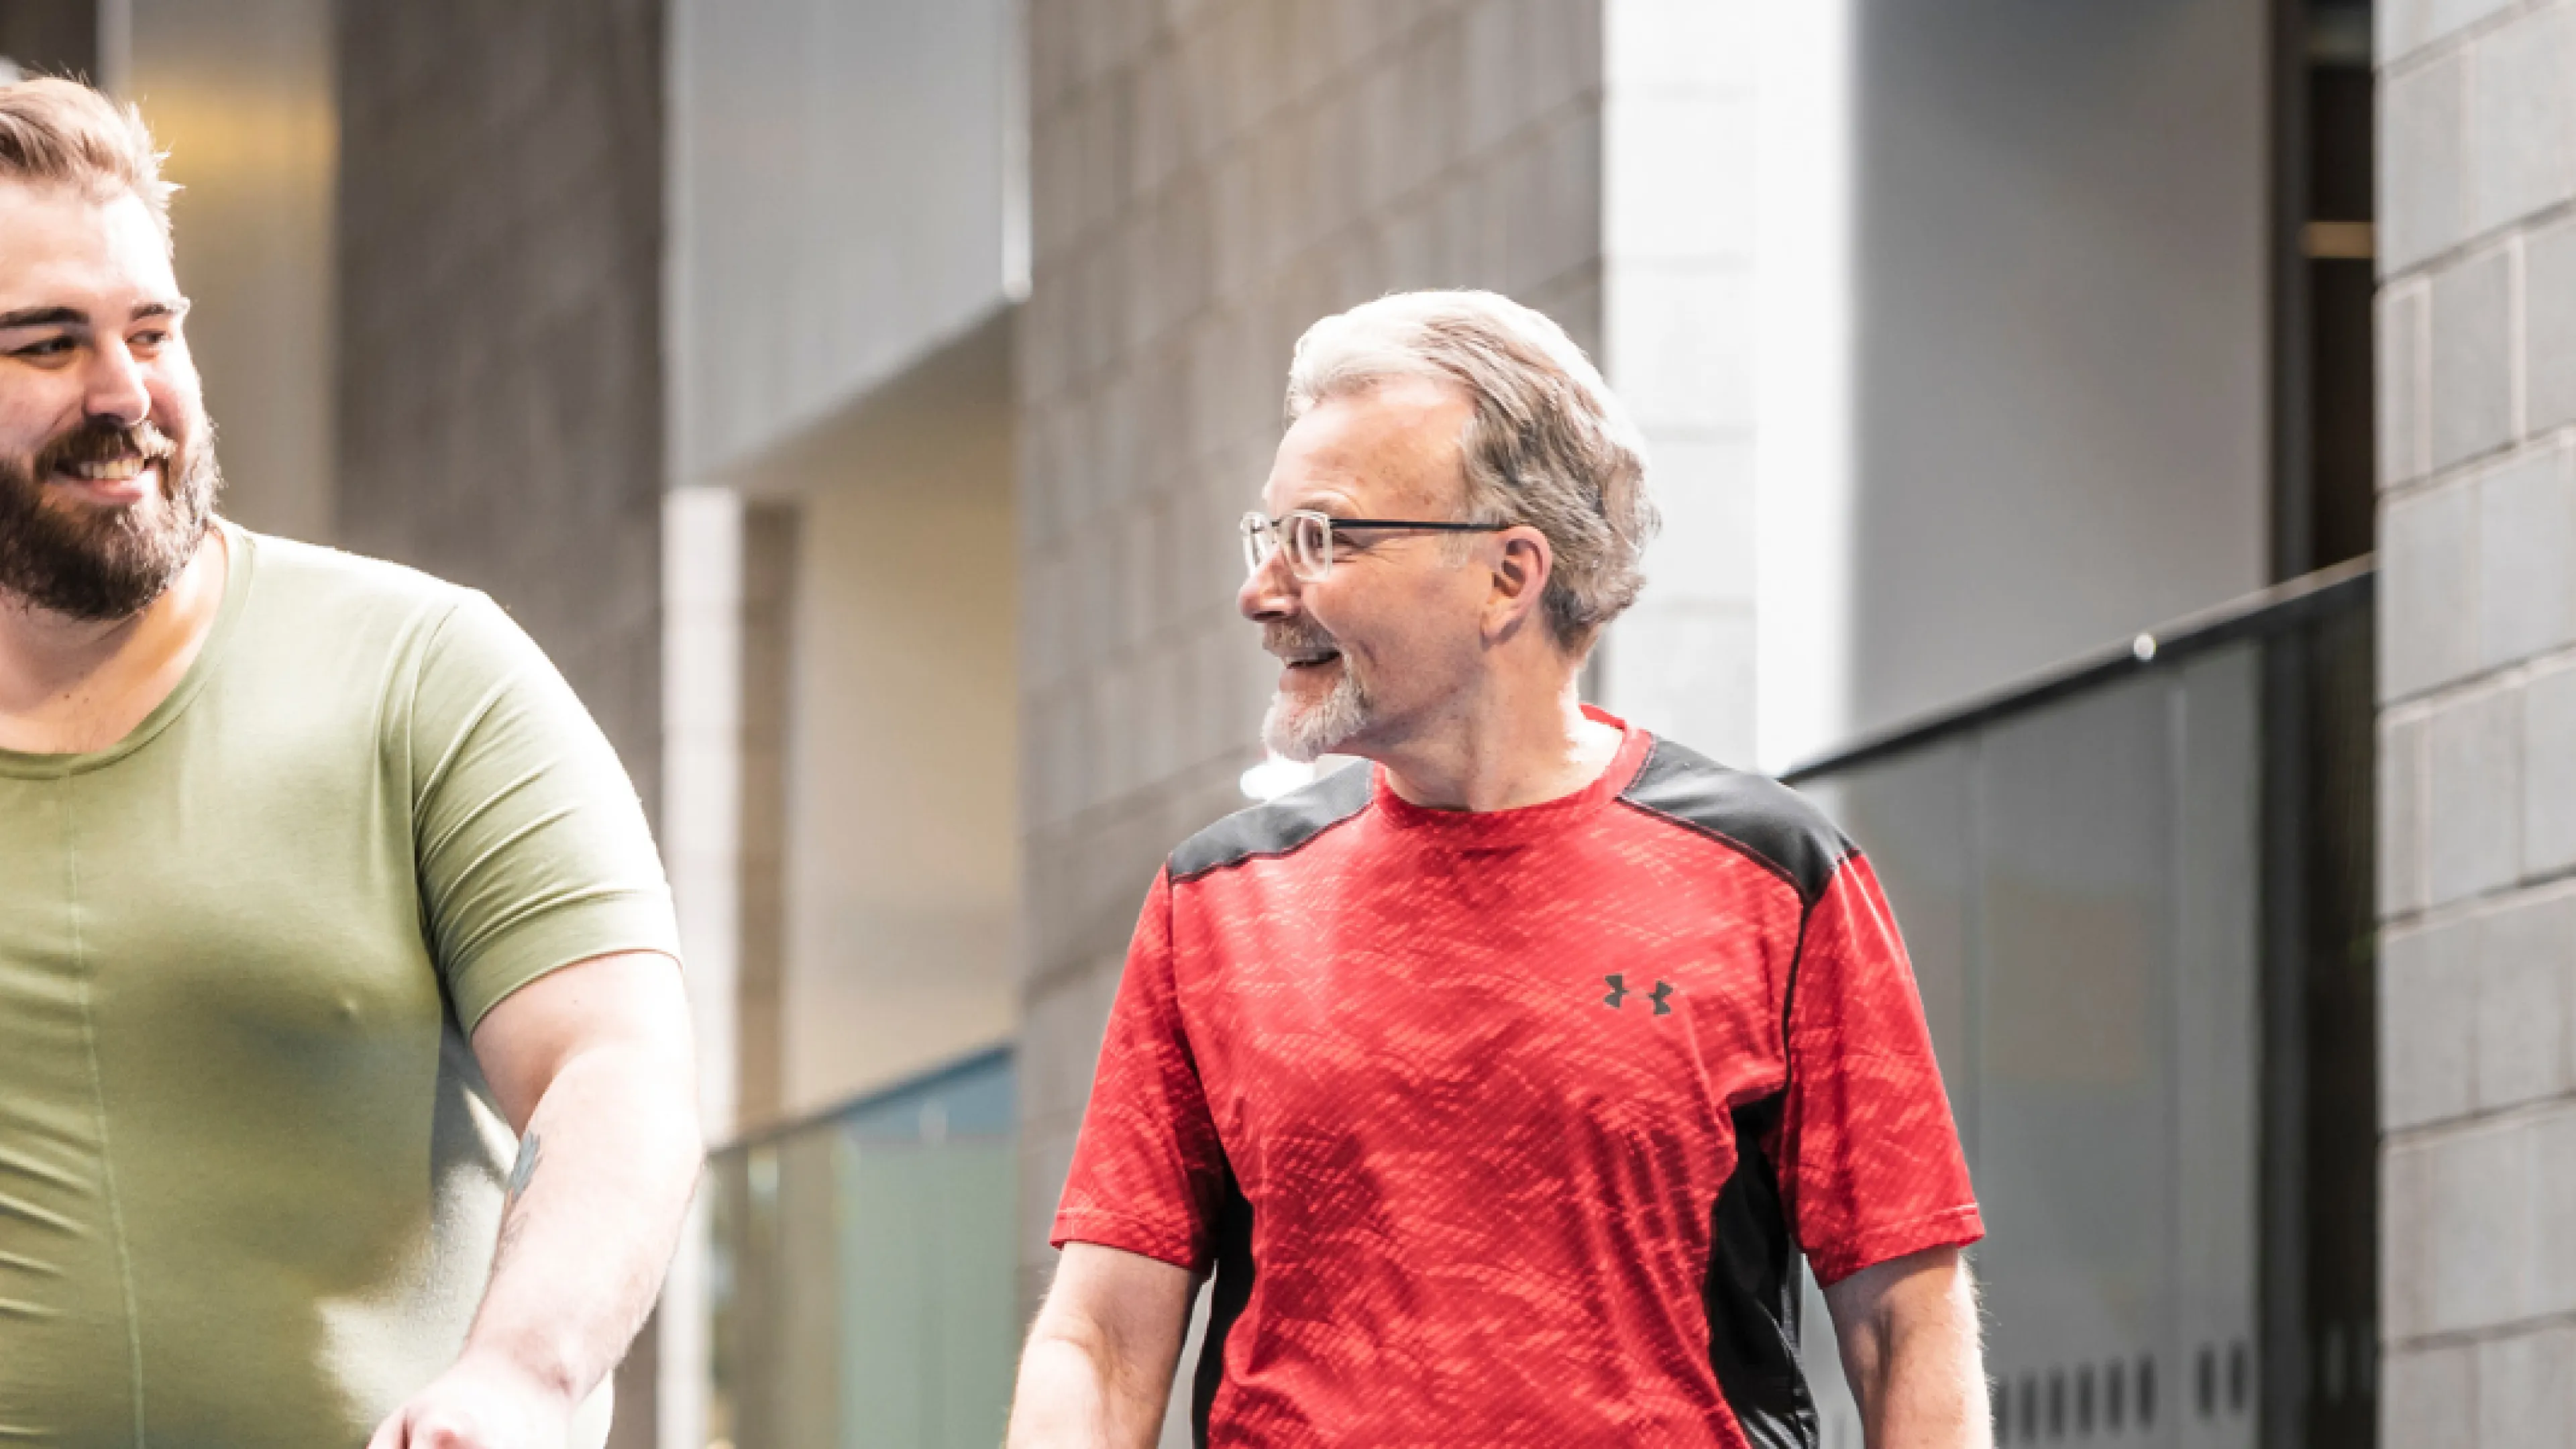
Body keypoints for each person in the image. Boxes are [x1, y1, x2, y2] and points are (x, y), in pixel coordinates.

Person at [1007, 290, 1991, 1447]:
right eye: (1266, 539)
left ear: (1508, 575)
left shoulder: (1774, 878)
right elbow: (1101, 1342)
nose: (1262, 592)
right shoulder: (1217, 903)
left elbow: (1906, 1331)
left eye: (1321, 539)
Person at [0, 77, 700, 1446]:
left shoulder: (426, 674)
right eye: (48, 343)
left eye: (153, 331)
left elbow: (617, 1069)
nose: (127, 393)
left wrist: (521, 1377)